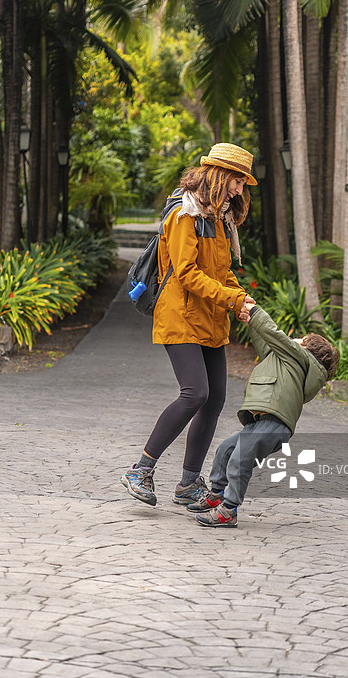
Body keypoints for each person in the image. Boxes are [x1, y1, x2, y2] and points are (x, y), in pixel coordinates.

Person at [121, 143, 257, 509]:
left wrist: (241, 299)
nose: (240, 190)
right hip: (180, 314)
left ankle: (186, 484)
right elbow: (186, 273)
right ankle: (141, 470)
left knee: (215, 400)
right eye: (238, 182)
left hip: (210, 318)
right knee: (195, 393)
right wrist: (230, 299)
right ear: (220, 176)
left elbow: (223, 271)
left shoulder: (219, 218)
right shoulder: (185, 214)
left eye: (243, 184)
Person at [187, 299, 340, 528]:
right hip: (262, 421)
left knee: (240, 460)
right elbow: (267, 345)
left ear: (308, 349)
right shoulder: (288, 359)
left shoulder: (301, 357)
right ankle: (217, 494)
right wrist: (251, 322)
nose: (296, 339)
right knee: (226, 450)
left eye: (302, 339)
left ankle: (229, 510)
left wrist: (256, 312)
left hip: (275, 423)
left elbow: (274, 334)